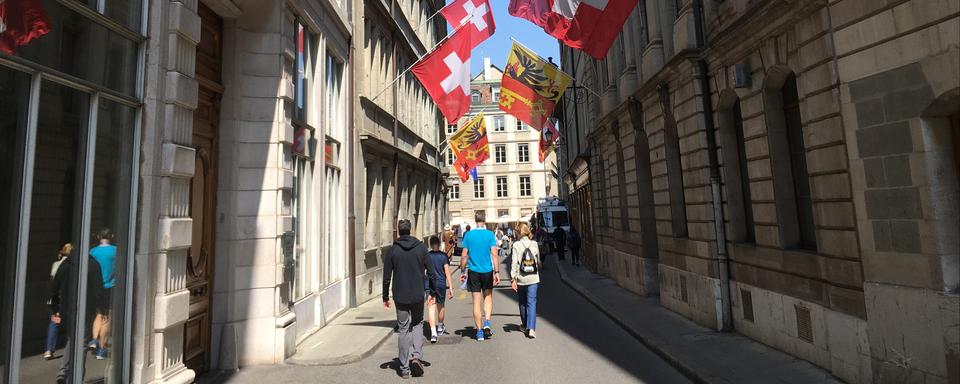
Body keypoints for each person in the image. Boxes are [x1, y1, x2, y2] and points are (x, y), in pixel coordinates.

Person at [382, 219, 437, 379]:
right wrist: (432, 292)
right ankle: (417, 356)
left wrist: (385, 296)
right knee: (418, 323)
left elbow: (386, 277)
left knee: (403, 329)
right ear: (410, 230)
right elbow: (432, 272)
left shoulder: (393, 250)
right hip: (418, 293)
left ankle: (404, 368)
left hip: (400, 295)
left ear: (399, 231)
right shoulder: (421, 248)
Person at [51, 243, 104, 384]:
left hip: (66, 309)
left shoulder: (66, 264)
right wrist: (101, 308)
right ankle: (76, 377)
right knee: (81, 343)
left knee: (71, 338)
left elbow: (54, 286)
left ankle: (63, 371)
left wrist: (55, 307)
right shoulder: (92, 264)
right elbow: (98, 290)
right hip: (86, 309)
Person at [459, 212, 499, 341]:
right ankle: (487, 321)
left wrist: (462, 270)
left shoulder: (469, 235)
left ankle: (479, 331)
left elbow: (464, 255)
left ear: (475, 220)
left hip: (474, 271)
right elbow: (494, 254)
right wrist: (497, 272)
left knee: (476, 301)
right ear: (485, 220)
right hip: (487, 270)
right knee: (488, 296)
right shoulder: (490, 234)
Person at [88, 228, 117, 360]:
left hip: (95, 287)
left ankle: (94, 340)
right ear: (111, 236)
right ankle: (102, 347)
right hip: (109, 286)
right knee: (107, 317)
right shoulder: (115, 251)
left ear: (99, 237)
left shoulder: (92, 251)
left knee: (98, 314)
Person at [510, 223, 541, 338]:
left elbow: (514, 263)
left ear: (518, 233)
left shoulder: (516, 245)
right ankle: (531, 328)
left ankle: (524, 325)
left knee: (522, 302)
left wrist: (513, 278)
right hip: (533, 277)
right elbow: (537, 261)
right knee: (532, 302)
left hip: (521, 278)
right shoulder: (534, 243)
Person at [44, 243, 72, 360]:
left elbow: (52, 283)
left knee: (54, 322)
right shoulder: (71, 265)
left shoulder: (55, 264)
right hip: (66, 298)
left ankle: (49, 350)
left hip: (56, 299)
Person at [424, 236, 454, 343]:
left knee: (431, 307)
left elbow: (424, 271)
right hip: (441, 284)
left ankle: (433, 333)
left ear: (430, 245)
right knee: (441, 306)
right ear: (439, 244)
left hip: (429, 284)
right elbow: (447, 272)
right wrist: (450, 287)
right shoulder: (443, 256)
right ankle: (440, 326)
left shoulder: (427, 256)